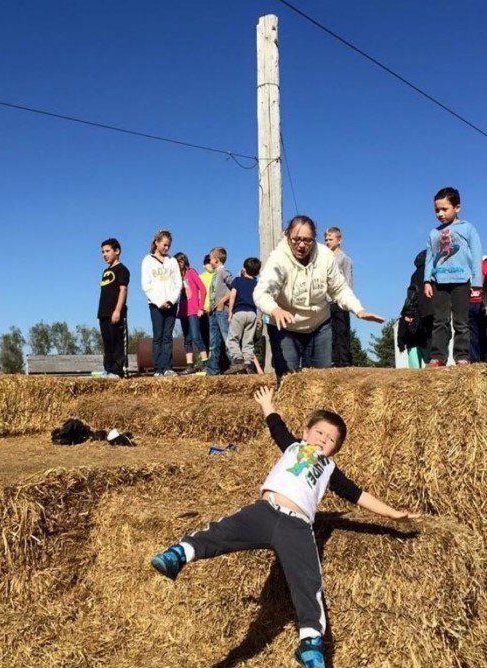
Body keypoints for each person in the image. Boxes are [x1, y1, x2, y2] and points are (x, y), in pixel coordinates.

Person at [151, 385, 418, 668]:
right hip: (264, 511)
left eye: (330, 441)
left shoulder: (329, 469)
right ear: (305, 433)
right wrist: (268, 404)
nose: (323, 441)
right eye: (319, 433)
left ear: (335, 451)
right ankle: (179, 554)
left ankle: (311, 644)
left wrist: (392, 515)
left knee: (308, 581)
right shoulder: (293, 446)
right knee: (220, 532)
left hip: (298, 526)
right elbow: (276, 427)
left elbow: (358, 495)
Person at [253, 215, 384, 378]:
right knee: (288, 381)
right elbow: (261, 292)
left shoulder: (325, 256)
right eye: (296, 239)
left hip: (320, 326)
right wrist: (275, 309)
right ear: (287, 236)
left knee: (320, 382)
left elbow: (340, 289)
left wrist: (358, 309)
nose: (301, 245)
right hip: (286, 328)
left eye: (307, 240)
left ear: (314, 239)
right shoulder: (278, 259)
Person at [423, 187, 482, 367]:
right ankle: (438, 357)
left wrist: (477, 282)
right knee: (440, 321)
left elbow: (476, 253)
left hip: (461, 281)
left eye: (444, 209)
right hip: (439, 282)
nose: (440, 213)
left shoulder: (467, 228)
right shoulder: (434, 233)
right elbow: (430, 258)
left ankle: (462, 356)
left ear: (457, 208)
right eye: (436, 210)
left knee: (461, 322)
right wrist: (427, 280)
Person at [141, 229, 182, 377]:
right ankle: (158, 368)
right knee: (158, 335)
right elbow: (146, 285)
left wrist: (171, 300)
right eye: (164, 245)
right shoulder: (148, 260)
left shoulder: (172, 262)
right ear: (157, 243)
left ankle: (167, 367)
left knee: (167, 336)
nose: (166, 248)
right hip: (155, 304)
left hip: (171, 304)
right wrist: (159, 302)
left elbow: (178, 283)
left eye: (168, 246)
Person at [97, 238, 130, 379]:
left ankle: (117, 370)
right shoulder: (105, 271)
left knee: (117, 342)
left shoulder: (122, 269)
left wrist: (117, 310)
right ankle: (108, 369)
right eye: (102, 252)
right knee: (107, 342)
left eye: (107, 251)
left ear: (117, 251)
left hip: (115, 312)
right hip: (103, 313)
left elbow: (123, 290)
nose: (104, 254)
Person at [224, 257, 262, 374]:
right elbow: (260, 301)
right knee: (248, 341)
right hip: (252, 314)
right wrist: (259, 318)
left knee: (232, 339)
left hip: (239, 312)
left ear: (244, 269)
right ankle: (248, 363)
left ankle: (238, 360)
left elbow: (233, 295)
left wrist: (230, 311)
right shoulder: (257, 284)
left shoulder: (238, 280)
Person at [397, 250, 434, 368]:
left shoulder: (415, 274)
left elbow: (412, 292)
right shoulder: (434, 271)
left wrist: (401, 343)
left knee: (414, 365)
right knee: (430, 348)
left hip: (419, 313)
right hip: (432, 312)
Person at [174, 252, 208, 374]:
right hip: (183, 311)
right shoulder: (177, 277)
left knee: (196, 337)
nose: (178, 264)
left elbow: (203, 289)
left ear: (184, 261)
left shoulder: (191, 272)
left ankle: (205, 363)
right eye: (176, 262)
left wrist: (201, 307)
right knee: (187, 339)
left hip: (193, 310)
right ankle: (190, 365)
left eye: (180, 261)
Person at [324, 227, 353, 367]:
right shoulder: (324, 259)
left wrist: (347, 298)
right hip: (326, 301)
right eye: (326, 239)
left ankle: (344, 360)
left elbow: (348, 279)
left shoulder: (344, 258)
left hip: (340, 299)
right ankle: (333, 360)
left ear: (339, 240)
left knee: (342, 330)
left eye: (330, 239)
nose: (327, 242)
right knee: (330, 332)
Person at [204, 247, 234, 376]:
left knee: (227, 337)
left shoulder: (223, 272)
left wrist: (223, 300)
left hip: (222, 311)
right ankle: (212, 368)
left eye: (210, 258)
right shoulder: (216, 273)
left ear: (216, 260)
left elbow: (234, 287)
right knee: (214, 341)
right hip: (213, 312)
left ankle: (236, 363)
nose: (209, 261)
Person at [468, 255, 487, 363]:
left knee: (473, 335)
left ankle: (476, 360)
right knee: (480, 333)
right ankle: (480, 360)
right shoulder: (482, 265)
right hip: (478, 302)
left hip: (473, 301)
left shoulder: (470, 267)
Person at [198, 254, 214, 353]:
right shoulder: (200, 277)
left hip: (215, 310)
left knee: (216, 338)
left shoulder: (218, 274)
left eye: (210, 261)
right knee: (204, 336)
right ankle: (206, 360)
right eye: (207, 262)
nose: (209, 264)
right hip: (203, 311)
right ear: (204, 265)